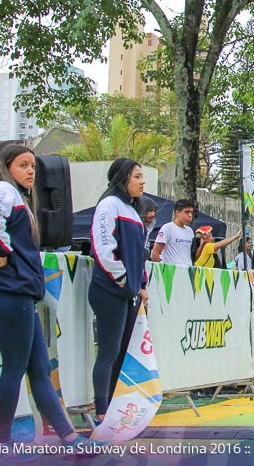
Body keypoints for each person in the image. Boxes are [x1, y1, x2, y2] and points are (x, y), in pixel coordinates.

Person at [0, 144, 98, 457]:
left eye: (33, 166)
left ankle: (68, 438)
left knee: (39, 369)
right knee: (16, 369)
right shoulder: (3, 190)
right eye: (23, 165)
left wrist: (5, 251)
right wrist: (2, 251)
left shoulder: (16, 197)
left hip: (17, 293)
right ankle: (1, 444)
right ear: (6, 167)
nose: (30, 171)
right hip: (8, 292)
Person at [88, 158, 148, 423]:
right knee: (108, 353)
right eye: (137, 176)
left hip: (128, 292)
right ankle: (101, 409)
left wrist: (141, 284)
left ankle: (113, 406)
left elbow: (138, 255)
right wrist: (123, 279)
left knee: (122, 353)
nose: (142, 181)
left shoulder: (134, 211)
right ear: (123, 179)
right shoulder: (108, 205)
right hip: (109, 290)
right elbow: (104, 247)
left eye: (142, 176)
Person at [150, 199, 196, 264]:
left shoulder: (190, 231)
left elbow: (193, 255)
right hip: (171, 272)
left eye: (191, 212)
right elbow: (155, 253)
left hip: (187, 271)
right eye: (187, 212)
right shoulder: (167, 228)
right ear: (177, 213)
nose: (190, 215)